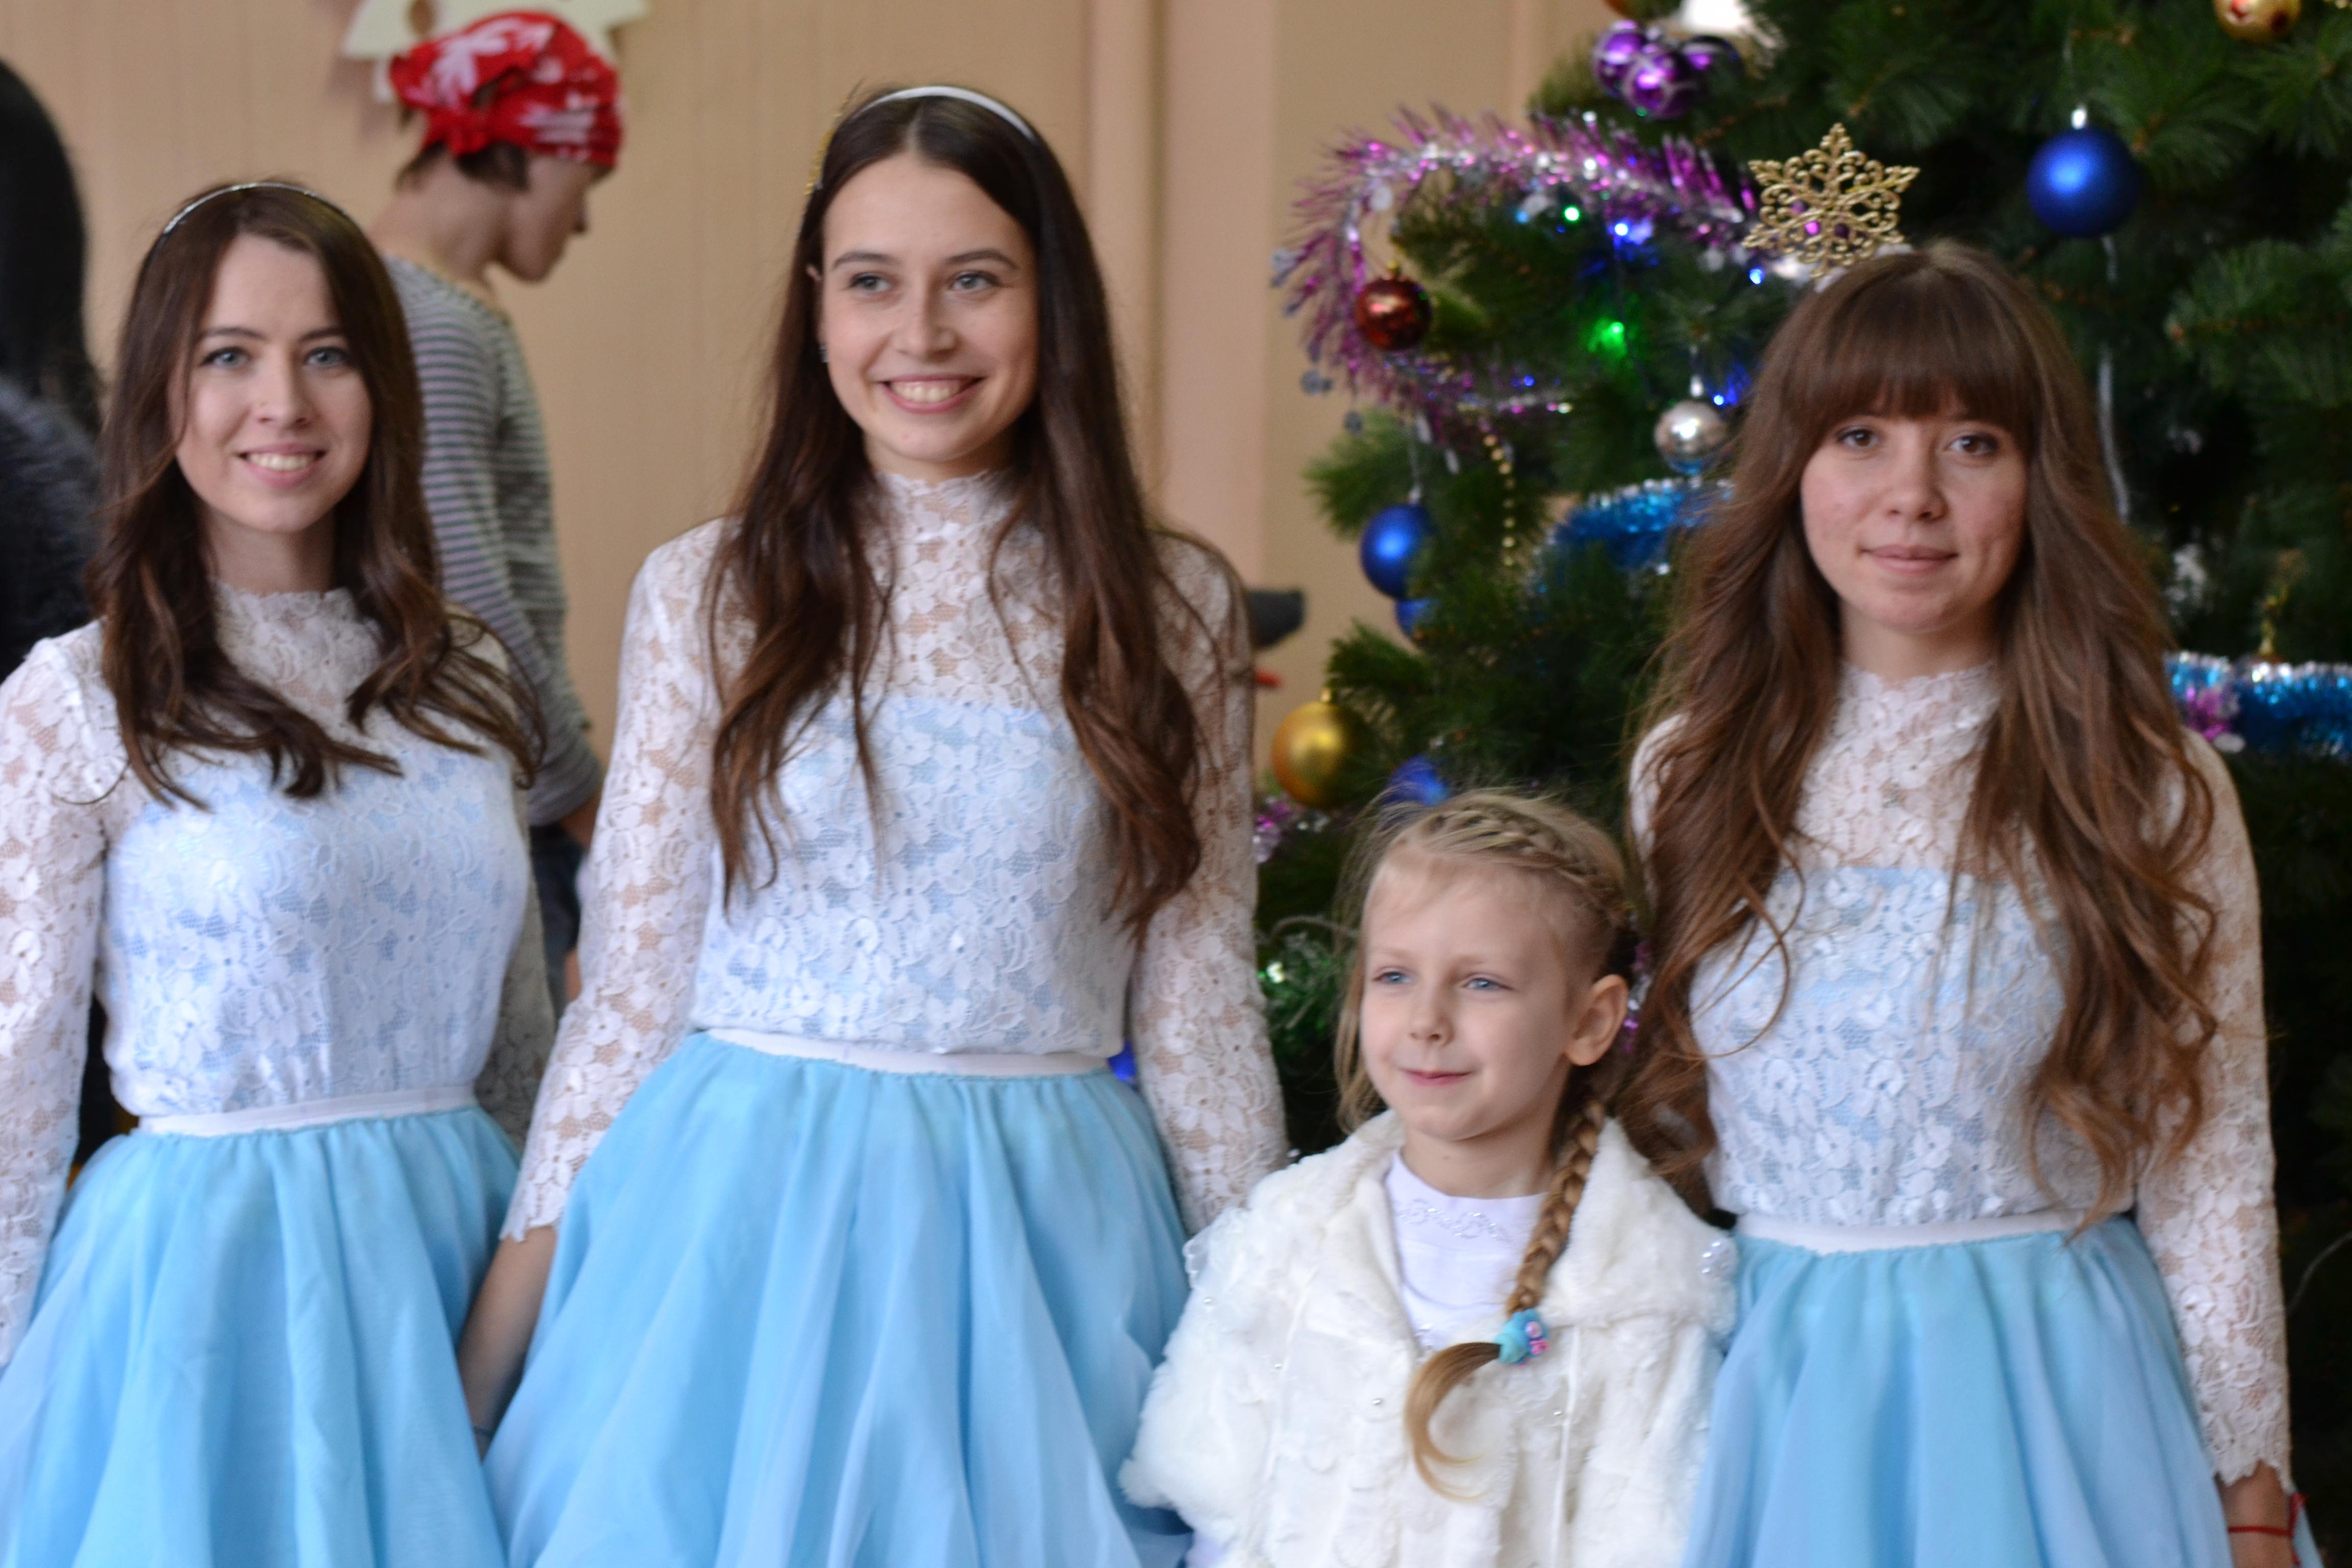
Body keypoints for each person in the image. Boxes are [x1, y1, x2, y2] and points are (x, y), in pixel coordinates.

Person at [459, 83, 1287, 1566]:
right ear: (816, 308)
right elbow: (632, 990)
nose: (922, 334)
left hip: (1044, 1243)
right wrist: (495, 1346)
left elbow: (1199, 990)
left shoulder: (1172, 607)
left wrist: (1268, 1312)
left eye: (974, 280)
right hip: (735, 1231)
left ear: (1052, 302)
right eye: (871, 283)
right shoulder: (709, 591)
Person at [1623, 242, 2318, 1568]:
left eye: (1973, 443)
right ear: (1793, 468)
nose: (1914, 495)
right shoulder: (1691, 772)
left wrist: (2250, 1498)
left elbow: (2213, 1161)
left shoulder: (2148, 786)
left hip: (2056, 1395)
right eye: (1862, 436)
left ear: (2039, 479)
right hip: (1776, 1400)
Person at [0, 182, 552, 1568]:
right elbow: (17, 1092)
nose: (282, 404)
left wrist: (551, 1291)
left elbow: (523, 1049)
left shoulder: (469, 676)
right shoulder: (80, 697)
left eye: (327, 354)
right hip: (214, 1291)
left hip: (461, 1254)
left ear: (382, 384)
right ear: (159, 391)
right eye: (229, 356)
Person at [1124, 789, 1732, 1568]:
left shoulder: (1646, 1292)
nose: (1426, 1021)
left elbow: (1652, 1541)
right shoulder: (1284, 1242)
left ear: (1589, 1022)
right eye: (1395, 976)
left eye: (1482, 983)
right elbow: (1217, 1509)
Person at [369, 10, 622, 1011]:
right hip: (499, 787)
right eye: (588, 181)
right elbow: (465, 591)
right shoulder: (434, 321)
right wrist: (585, 799)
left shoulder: (422, 302)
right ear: (534, 152)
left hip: (499, 773)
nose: (584, 221)